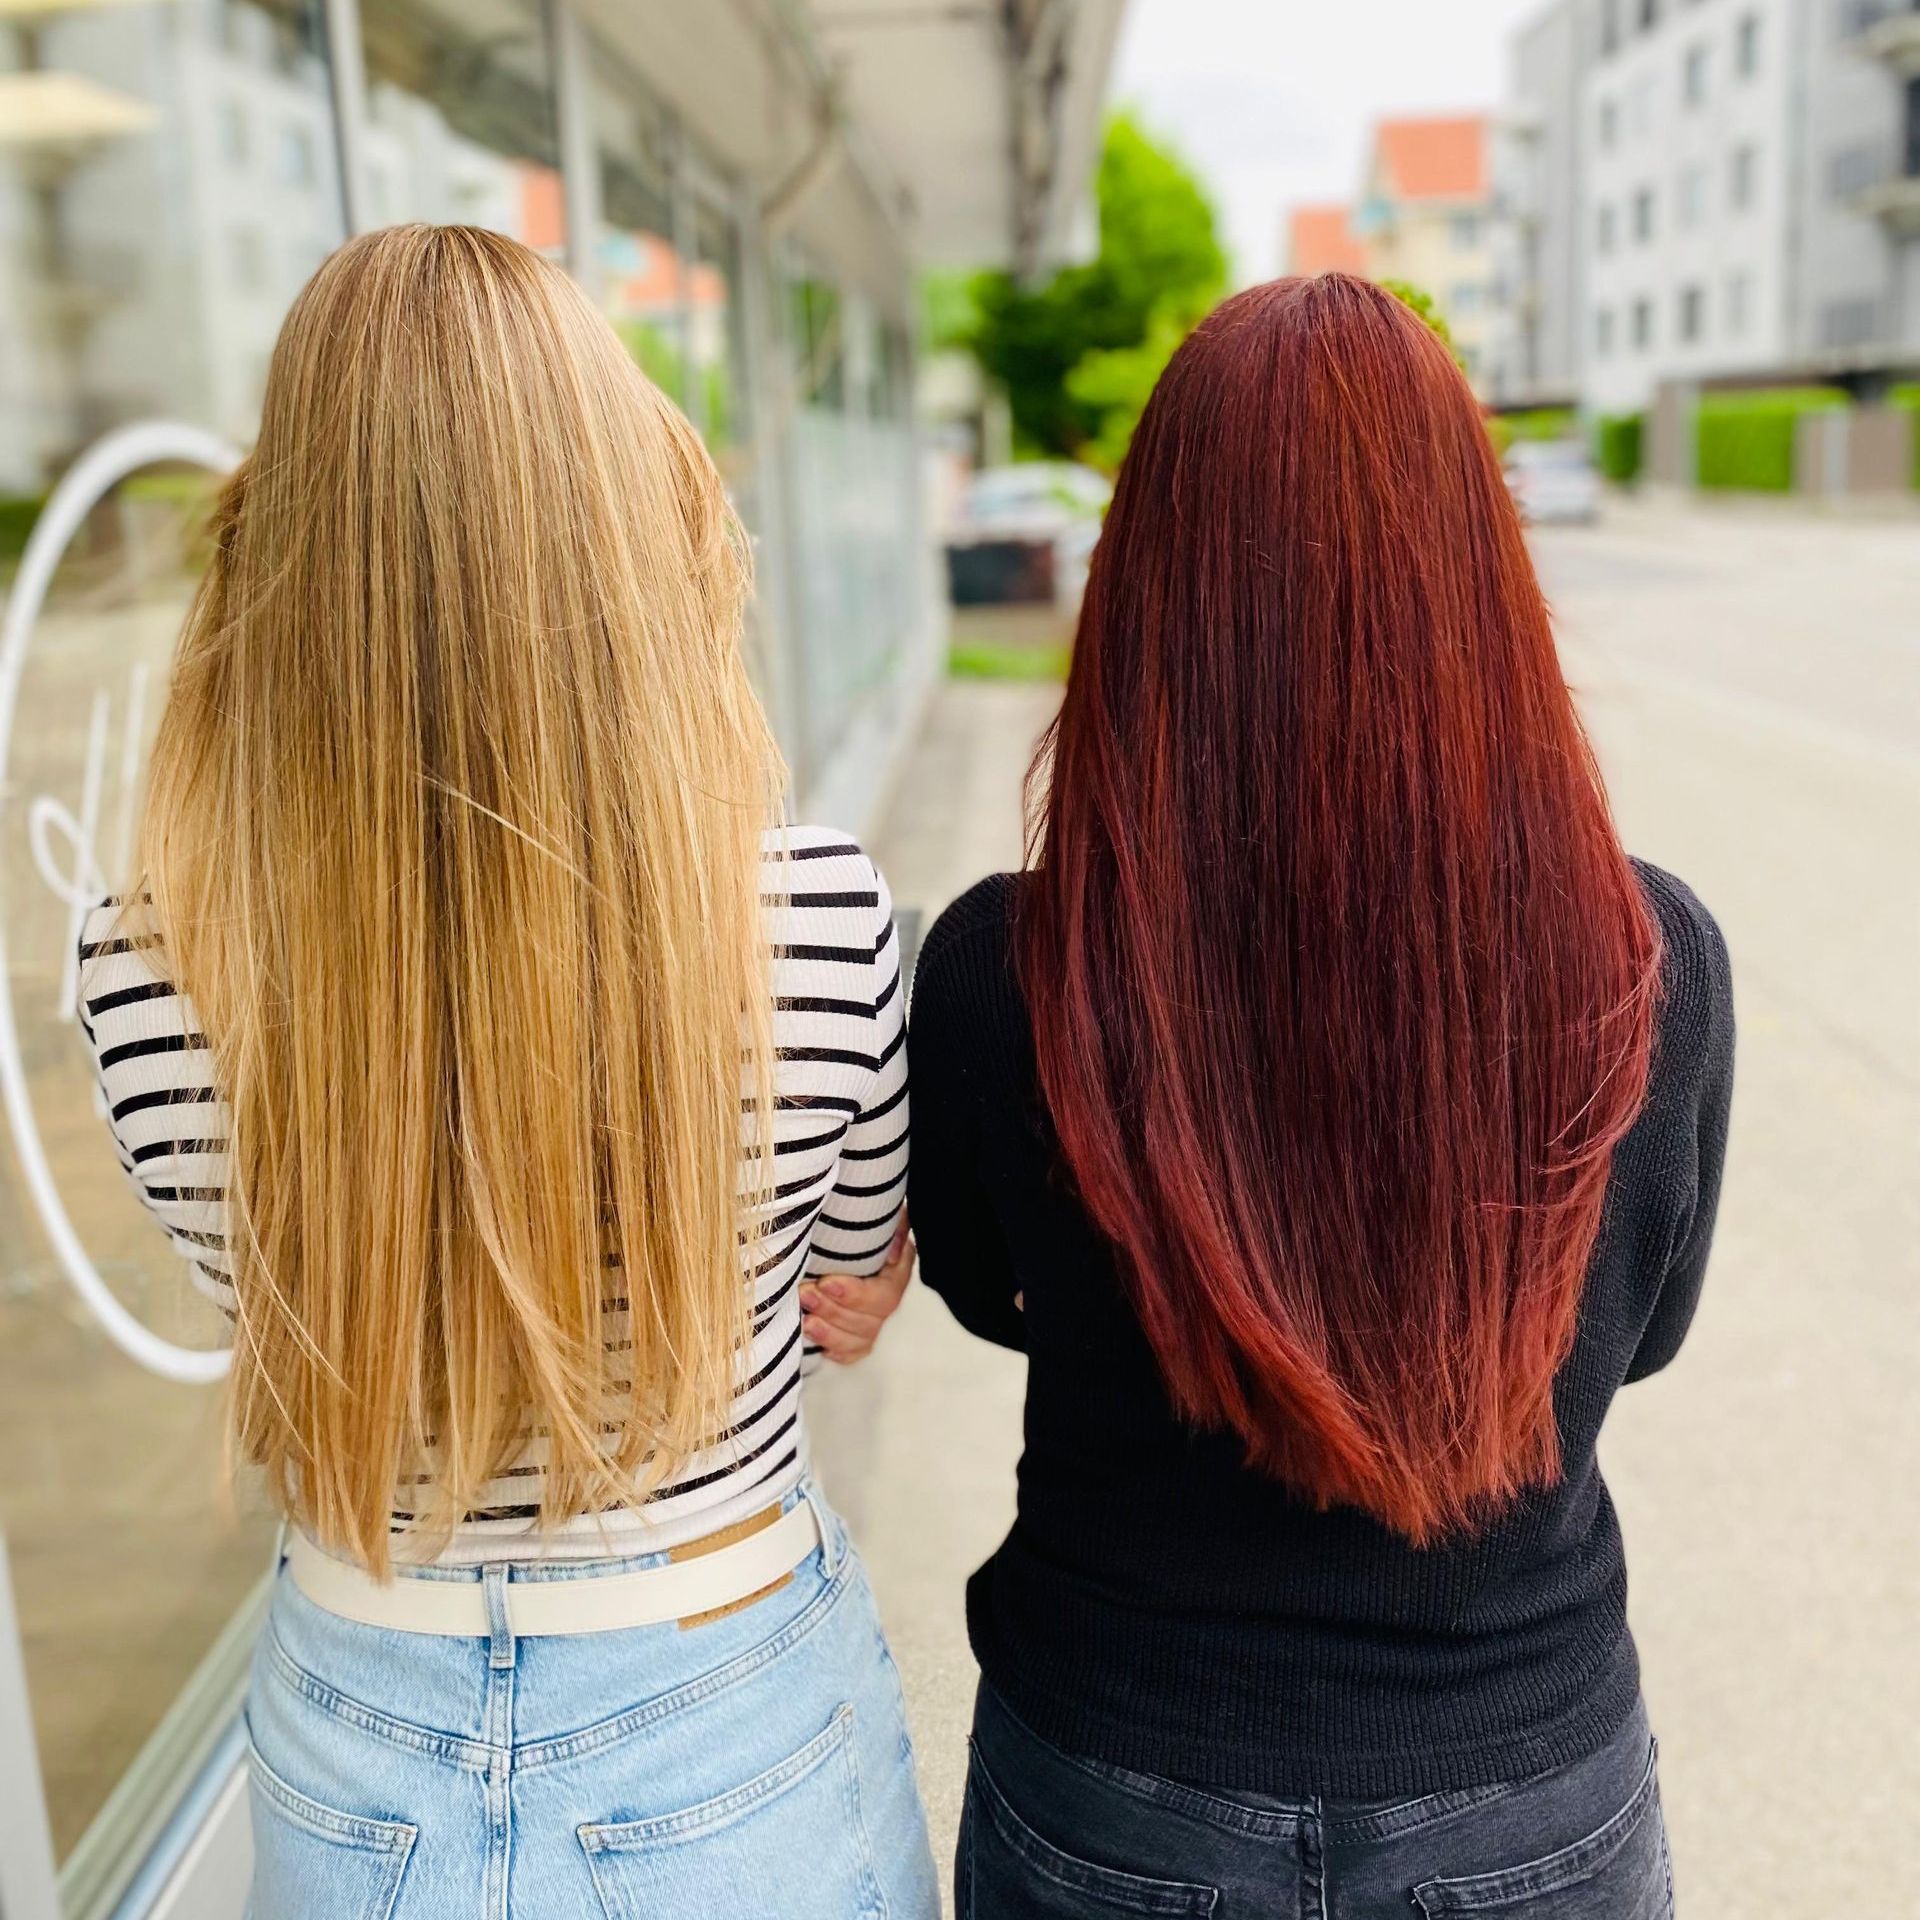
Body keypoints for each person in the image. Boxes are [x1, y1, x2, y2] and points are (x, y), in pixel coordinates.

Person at [78, 224, 936, 1919]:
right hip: (726, 1694)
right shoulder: (816, 915)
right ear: (628, 530)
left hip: (353, 1728)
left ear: (276, 559)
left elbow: (283, 1303)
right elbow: (846, 1282)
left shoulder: (146, 963)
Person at [909, 273, 1733, 1919]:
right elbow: (1639, 1332)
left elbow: (984, 1288)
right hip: (1523, 1798)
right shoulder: (1647, 961)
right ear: (1482, 580)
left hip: (1113, 1786)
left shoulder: (1007, 967)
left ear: (1146, 581)